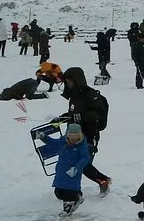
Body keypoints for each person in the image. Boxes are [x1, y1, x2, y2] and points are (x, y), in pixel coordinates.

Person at [58, 67, 112, 196]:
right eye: (67, 82)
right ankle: (76, 189)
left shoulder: (90, 94)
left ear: (77, 80)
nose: (69, 84)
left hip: (89, 134)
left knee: (83, 164)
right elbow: (73, 114)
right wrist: (62, 118)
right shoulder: (74, 97)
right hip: (74, 135)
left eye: (70, 81)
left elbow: (97, 114)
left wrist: (80, 117)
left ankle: (102, 181)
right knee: (76, 163)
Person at [38, 122, 93, 216]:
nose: (73, 141)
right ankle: (78, 197)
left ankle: (67, 209)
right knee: (58, 192)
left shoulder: (82, 146)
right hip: (61, 171)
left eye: (75, 139)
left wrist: (76, 168)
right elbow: (53, 143)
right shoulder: (62, 141)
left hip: (73, 172)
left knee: (69, 192)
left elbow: (85, 158)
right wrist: (44, 137)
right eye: (71, 138)